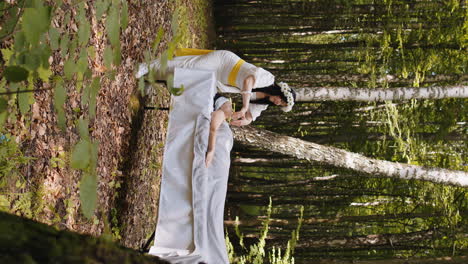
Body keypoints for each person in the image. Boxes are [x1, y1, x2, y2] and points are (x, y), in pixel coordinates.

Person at [136, 49, 296, 126]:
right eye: (280, 100)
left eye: (280, 105)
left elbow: (248, 118)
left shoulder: (263, 104)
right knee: (188, 66)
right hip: (224, 63)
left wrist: (231, 119)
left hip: (219, 81)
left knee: (186, 78)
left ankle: (151, 78)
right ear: (279, 92)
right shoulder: (268, 79)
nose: (277, 102)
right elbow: (248, 80)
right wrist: (245, 105)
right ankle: (146, 67)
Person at [206, 95, 232, 168]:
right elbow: (213, 129)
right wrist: (211, 150)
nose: (232, 110)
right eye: (229, 106)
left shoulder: (223, 118)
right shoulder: (221, 114)